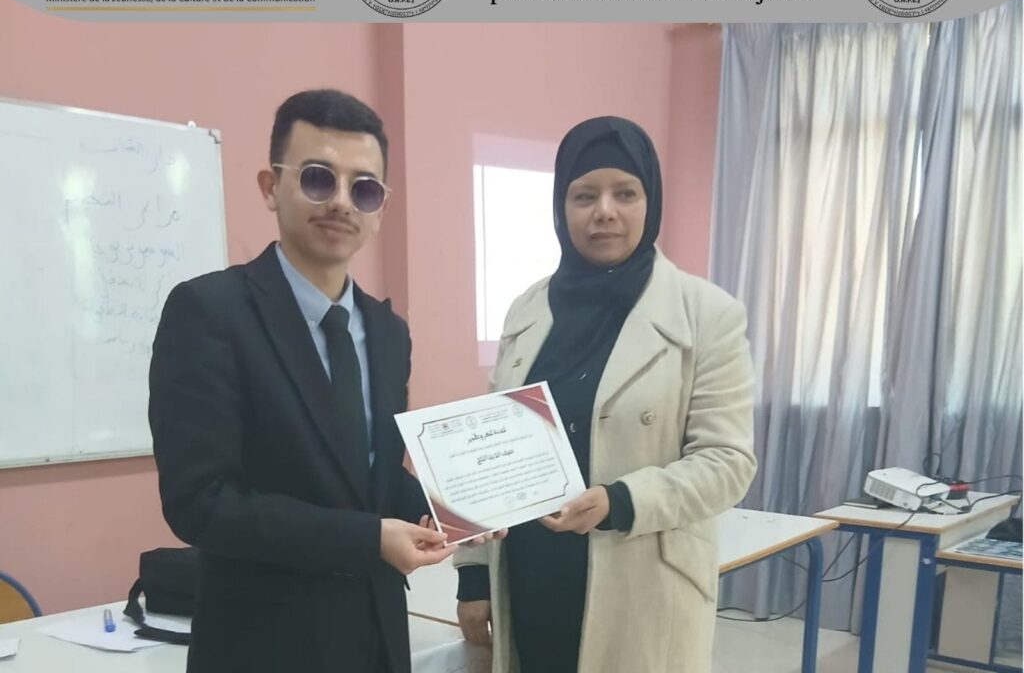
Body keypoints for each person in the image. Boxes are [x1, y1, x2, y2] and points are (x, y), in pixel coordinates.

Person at [149, 89, 456, 673]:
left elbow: (371, 479)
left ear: (380, 209)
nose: (341, 201)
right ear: (271, 187)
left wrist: (454, 509)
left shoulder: (388, 332)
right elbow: (201, 504)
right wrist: (368, 539)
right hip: (263, 646)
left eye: (363, 188)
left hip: (378, 639)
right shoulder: (210, 312)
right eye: (318, 178)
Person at [454, 116, 757, 673]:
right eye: (584, 195)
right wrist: (473, 575)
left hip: (639, 584)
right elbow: (490, 447)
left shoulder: (707, 314)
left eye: (626, 193)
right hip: (529, 577)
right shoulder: (527, 308)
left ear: (651, 201)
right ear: (560, 206)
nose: (605, 211)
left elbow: (727, 462)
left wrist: (620, 501)